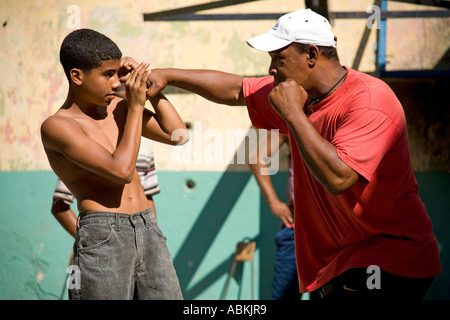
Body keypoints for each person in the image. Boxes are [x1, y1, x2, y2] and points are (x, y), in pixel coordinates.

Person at [146, 9, 441, 300]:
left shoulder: (368, 101)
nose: (271, 68)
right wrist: (168, 75)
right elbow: (237, 90)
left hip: (389, 259)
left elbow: (339, 177)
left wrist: (291, 114)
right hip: (340, 262)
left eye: (278, 58)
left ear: (311, 55)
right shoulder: (300, 94)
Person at [41, 28, 189, 300]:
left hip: (148, 227)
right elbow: (120, 171)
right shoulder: (58, 126)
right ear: (77, 76)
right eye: (107, 74)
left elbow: (179, 135)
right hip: (102, 235)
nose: (115, 83)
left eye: (117, 73)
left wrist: (150, 90)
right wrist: (134, 106)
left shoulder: (118, 108)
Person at [52, 138, 161, 238]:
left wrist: (152, 236)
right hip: (101, 244)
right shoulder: (86, 138)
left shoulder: (144, 141)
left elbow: (147, 195)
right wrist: (90, 240)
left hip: (142, 242)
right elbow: (60, 205)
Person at [248, 131, 300, 300]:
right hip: (294, 231)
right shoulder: (290, 123)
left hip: (330, 233)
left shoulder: (336, 118)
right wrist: (273, 203)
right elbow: (256, 157)